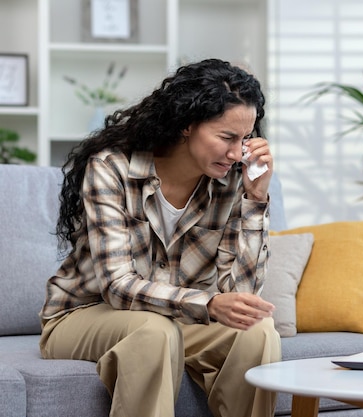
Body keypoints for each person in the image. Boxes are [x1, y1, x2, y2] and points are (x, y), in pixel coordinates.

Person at [39, 58, 281, 417]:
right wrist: (208, 304)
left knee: (257, 332)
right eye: (226, 137)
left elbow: (242, 295)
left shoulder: (233, 179)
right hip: (87, 315)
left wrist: (255, 199)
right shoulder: (112, 168)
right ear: (187, 125)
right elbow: (117, 286)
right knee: (154, 332)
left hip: (173, 318)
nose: (236, 153)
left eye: (244, 139)